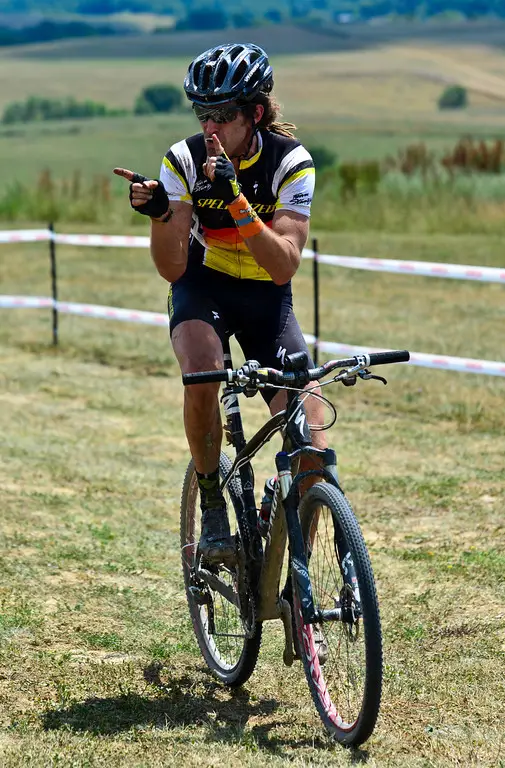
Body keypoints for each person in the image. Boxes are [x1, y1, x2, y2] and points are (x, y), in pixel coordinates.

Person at [114, 42, 324, 563]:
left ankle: (295, 586)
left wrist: (234, 199)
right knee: (203, 373)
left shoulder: (290, 162)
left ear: (255, 113)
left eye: (223, 116)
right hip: (203, 287)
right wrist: (164, 214)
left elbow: (282, 265)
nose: (210, 129)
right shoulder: (182, 160)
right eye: (202, 114)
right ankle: (212, 505)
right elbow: (172, 267)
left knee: (314, 447)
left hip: (265, 296)